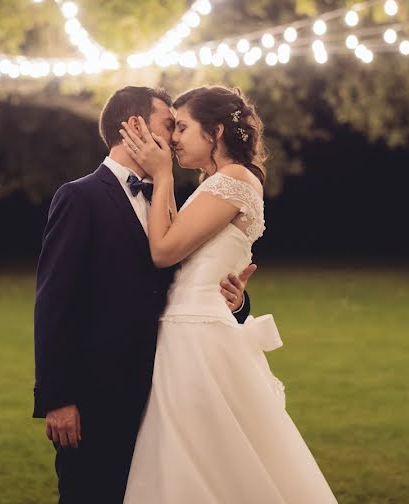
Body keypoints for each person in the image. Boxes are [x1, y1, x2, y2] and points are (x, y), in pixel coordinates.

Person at [32, 86, 257, 503]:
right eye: (168, 124)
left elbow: (194, 281)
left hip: (167, 385)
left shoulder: (171, 201)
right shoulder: (80, 197)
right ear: (134, 126)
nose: (173, 138)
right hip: (98, 394)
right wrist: (58, 398)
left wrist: (238, 301)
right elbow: (53, 302)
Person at [119, 85, 337, 503]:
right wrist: (237, 299)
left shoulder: (232, 180)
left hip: (195, 335)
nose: (173, 139)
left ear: (215, 131)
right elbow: (181, 245)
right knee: (204, 457)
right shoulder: (217, 183)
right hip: (194, 326)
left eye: (182, 127)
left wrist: (162, 175)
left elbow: (163, 251)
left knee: (202, 458)